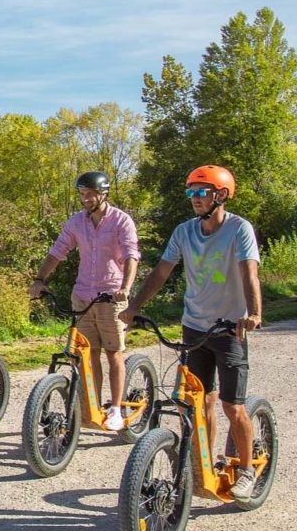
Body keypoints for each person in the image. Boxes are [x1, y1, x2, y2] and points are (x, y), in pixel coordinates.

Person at [119, 165, 262, 499]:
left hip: (230, 329)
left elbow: (248, 273)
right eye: (191, 193)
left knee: (232, 406)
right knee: (201, 402)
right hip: (194, 326)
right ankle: (203, 464)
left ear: (221, 195)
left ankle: (247, 469)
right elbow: (161, 272)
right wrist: (135, 306)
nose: (195, 199)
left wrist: (253, 312)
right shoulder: (184, 231)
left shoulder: (239, 229)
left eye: (202, 192)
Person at [29, 171, 140, 431]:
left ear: (103, 194)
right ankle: (94, 404)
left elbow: (130, 256)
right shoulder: (76, 222)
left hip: (111, 295)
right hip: (82, 295)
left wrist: (126, 287)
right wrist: (39, 279)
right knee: (89, 356)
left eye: (90, 194)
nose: (85, 199)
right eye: (82, 194)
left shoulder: (121, 221)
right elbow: (57, 252)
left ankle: (116, 408)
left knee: (114, 354)